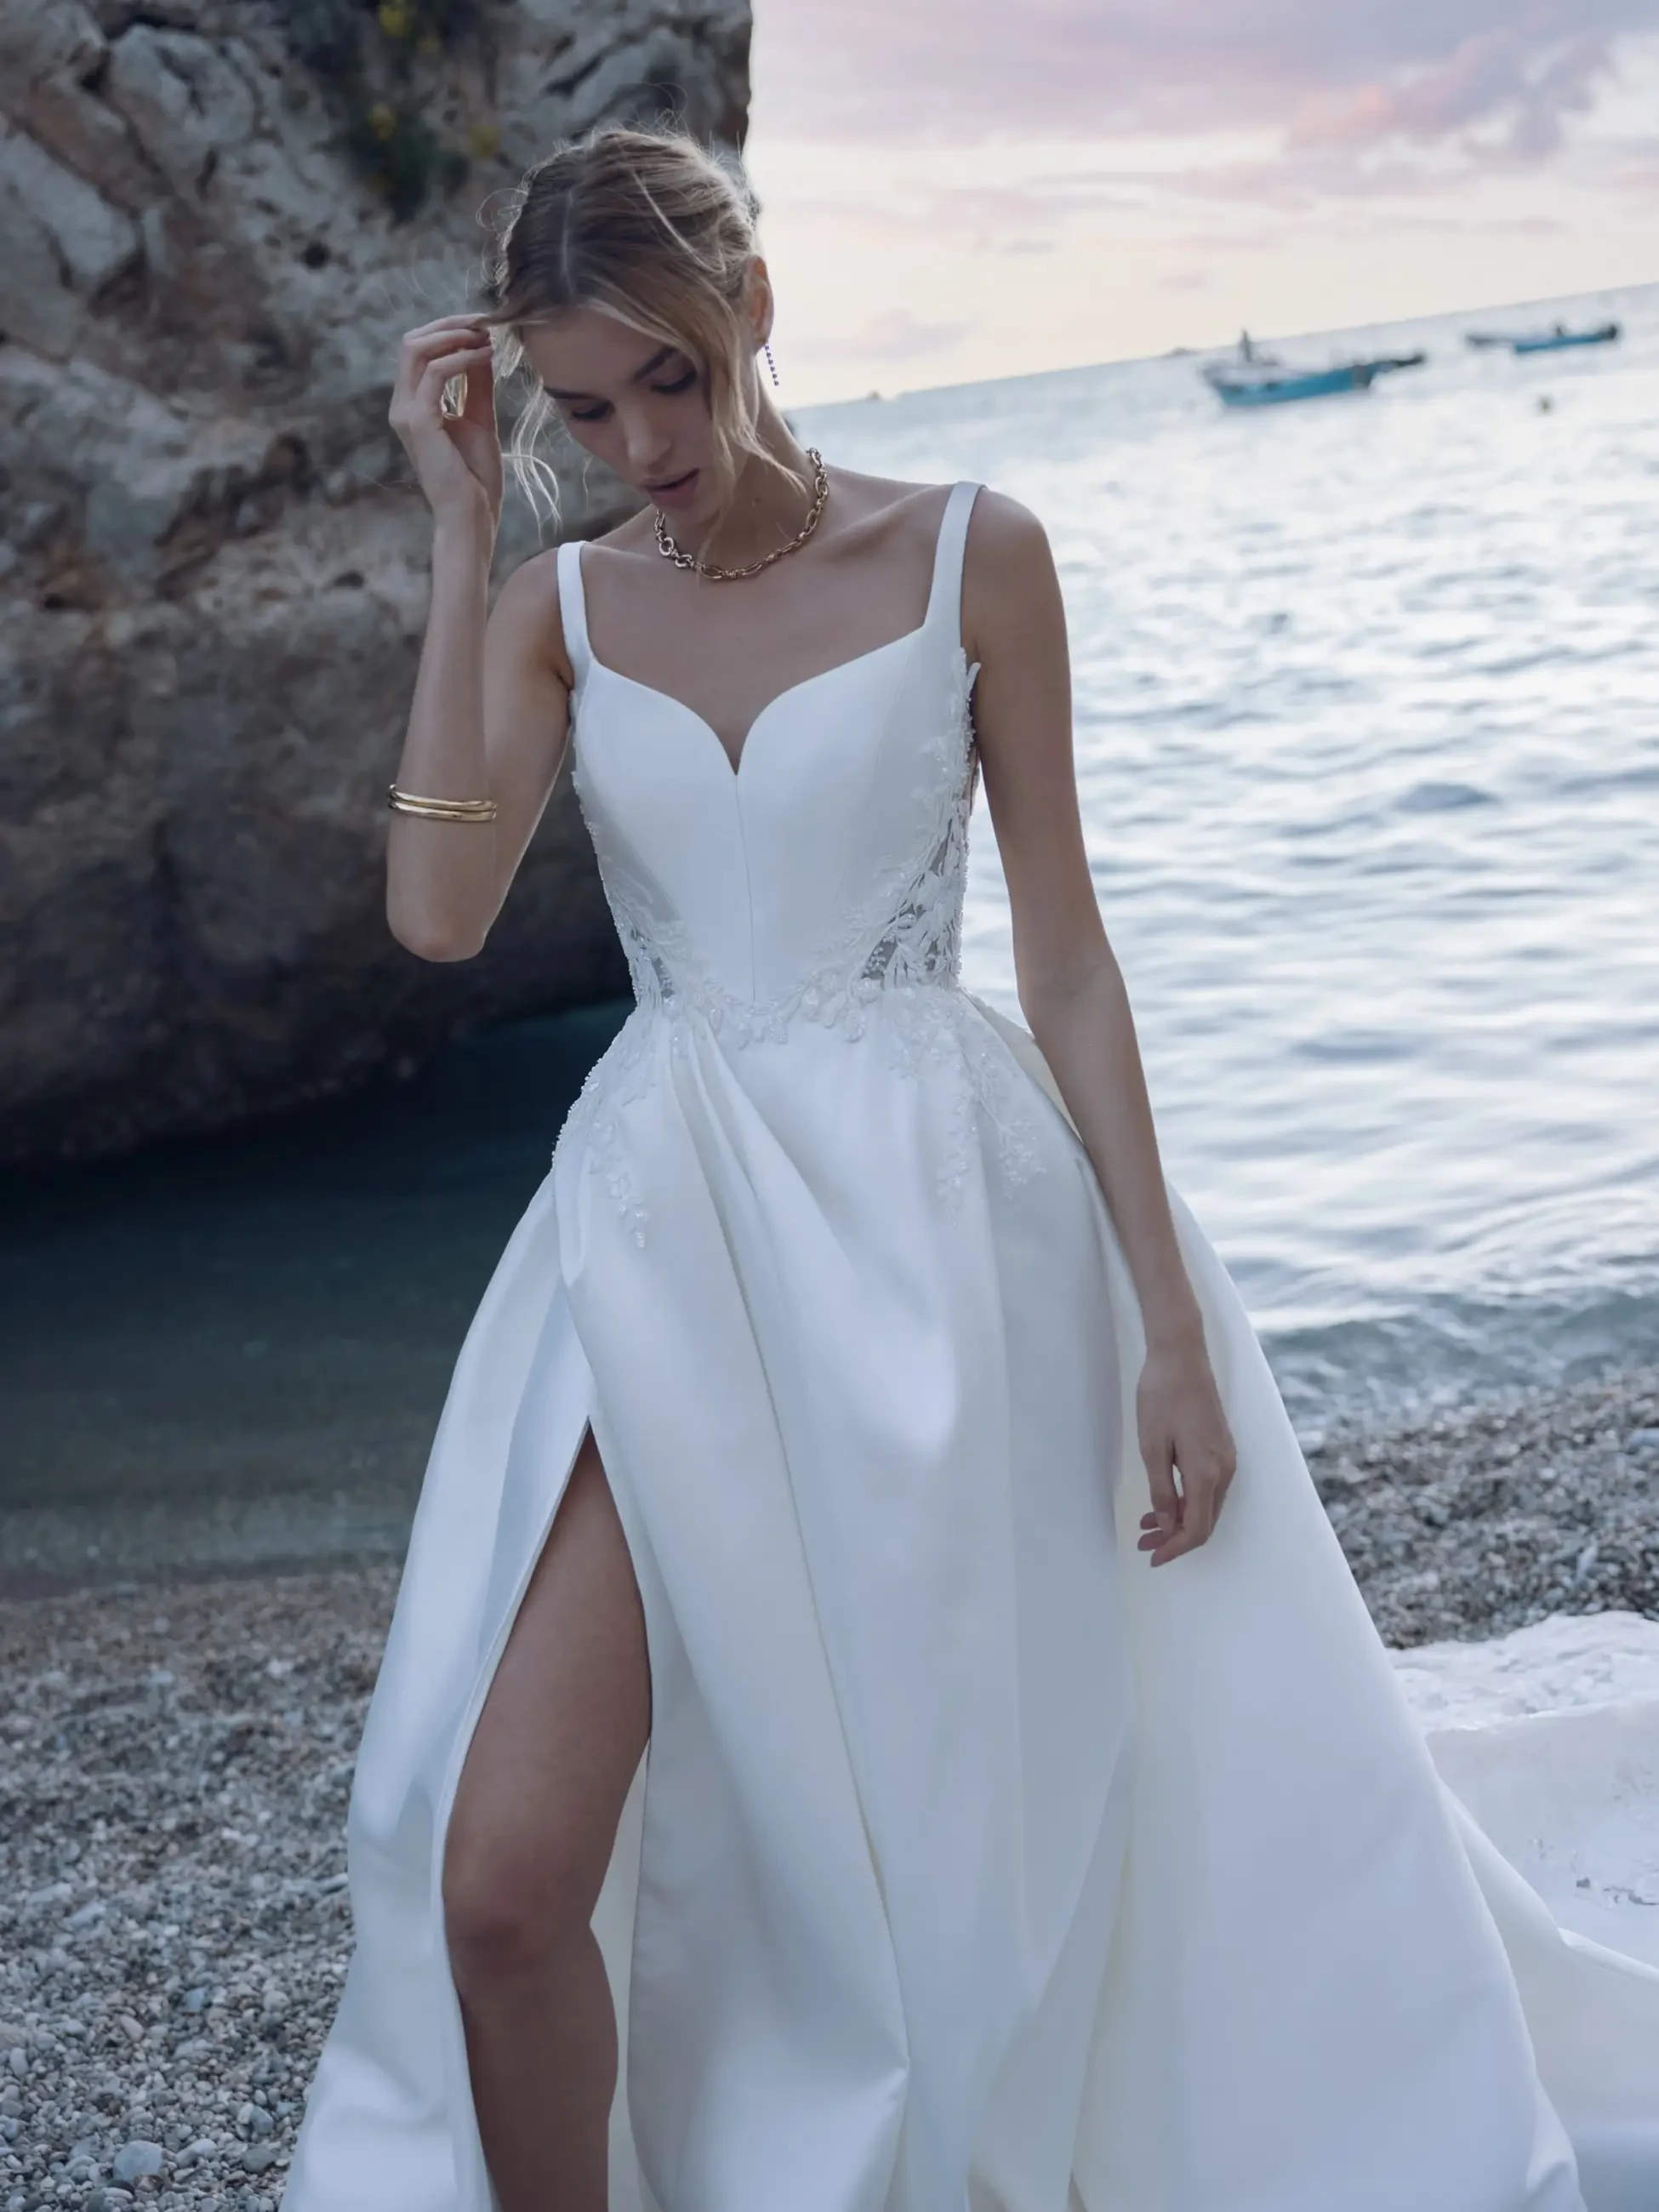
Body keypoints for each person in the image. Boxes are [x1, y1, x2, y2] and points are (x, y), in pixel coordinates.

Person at [285, 126, 1659, 2212]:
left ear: (754, 307)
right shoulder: (566, 607)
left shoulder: (968, 557)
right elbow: (438, 917)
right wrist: (465, 526)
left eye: (669, 376)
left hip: (950, 1253)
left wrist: (1169, 1322)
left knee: (957, 1836)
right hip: (668, 1253)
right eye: (585, 408)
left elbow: (1069, 958)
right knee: (500, 1880)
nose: (642, 444)